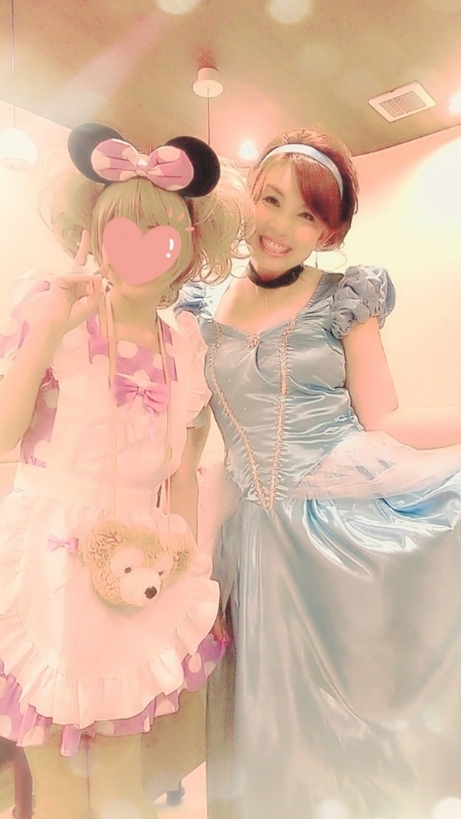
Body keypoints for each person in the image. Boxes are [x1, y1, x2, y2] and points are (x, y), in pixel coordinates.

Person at [177, 127, 461, 819]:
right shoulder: (197, 310)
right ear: (248, 196)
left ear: (328, 232)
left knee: (353, 721)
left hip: (341, 529)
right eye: (271, 200)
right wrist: (187, 562)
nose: (280, 226)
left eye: (306, 215)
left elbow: (383, 417)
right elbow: (188, 450)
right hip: (248, 541)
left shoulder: (344, 297)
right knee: (269, 728)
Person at [0, 122, 249, 819]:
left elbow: (182, 474)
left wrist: (189, 570)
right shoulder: (52, 310)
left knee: (121, 773)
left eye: (159, 232)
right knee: (53, 778)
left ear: (188, 246)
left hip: (139, 557)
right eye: (120, 228)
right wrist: (49, 330)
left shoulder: (189, 346)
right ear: (91, 231)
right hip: (47, 557)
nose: (138, 247)